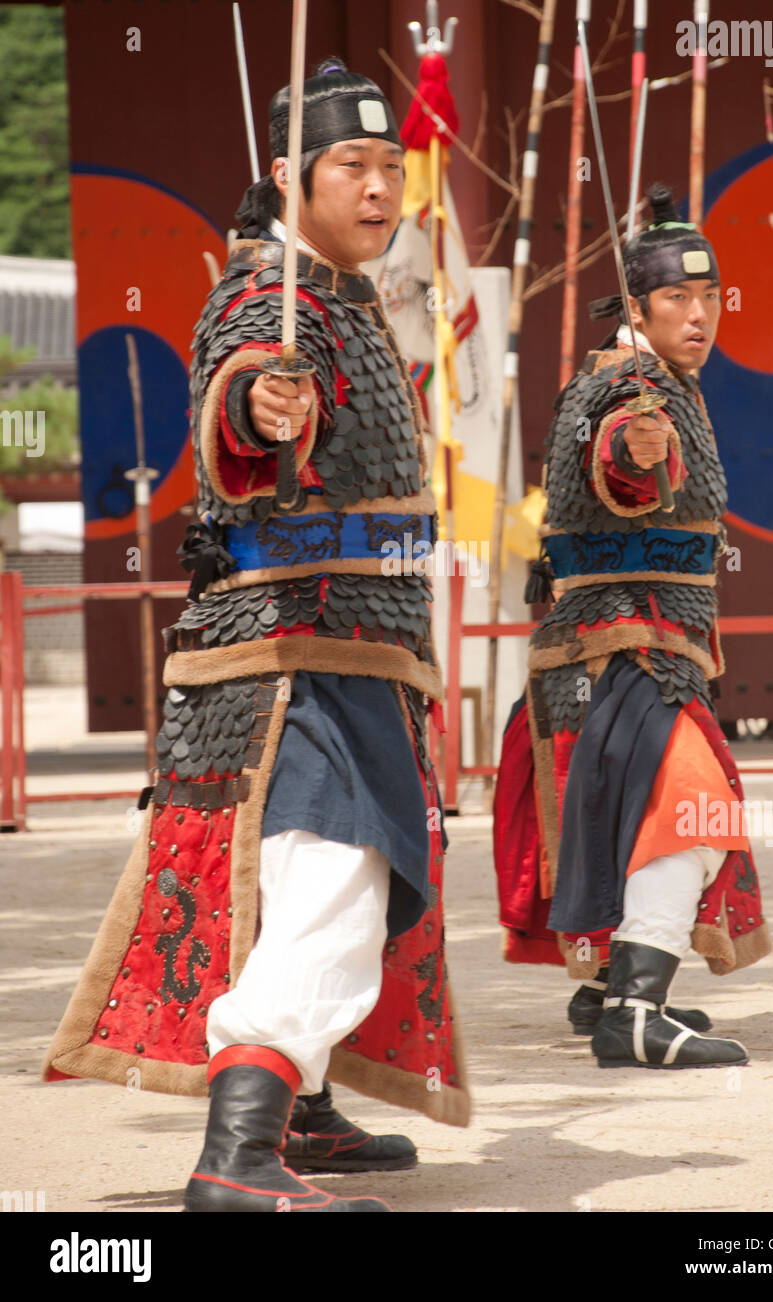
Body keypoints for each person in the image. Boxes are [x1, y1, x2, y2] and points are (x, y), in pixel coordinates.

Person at [44, 59, 470, 1211]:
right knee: (331, 875)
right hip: (294, 656)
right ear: (289, 176)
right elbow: (242, 392)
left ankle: (304, 1108)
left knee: (319, 886)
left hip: (354, 650)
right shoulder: (266, 297)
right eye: (353, 167)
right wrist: (259, 404)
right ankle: (236, 1160)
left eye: (393, 168)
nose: (381, 188)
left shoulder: (339, 292)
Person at [493, 184, 771, 1070]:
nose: (699, 315)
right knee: (693, 812)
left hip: (632, 650)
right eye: (677, 300)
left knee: (630, 818)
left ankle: (607, 984)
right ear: (638, 308)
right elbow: (618, 458)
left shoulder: (662, 380)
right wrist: (635, 453)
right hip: (623, 649)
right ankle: (634, 1016)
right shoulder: (628, 384)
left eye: (711, 298)